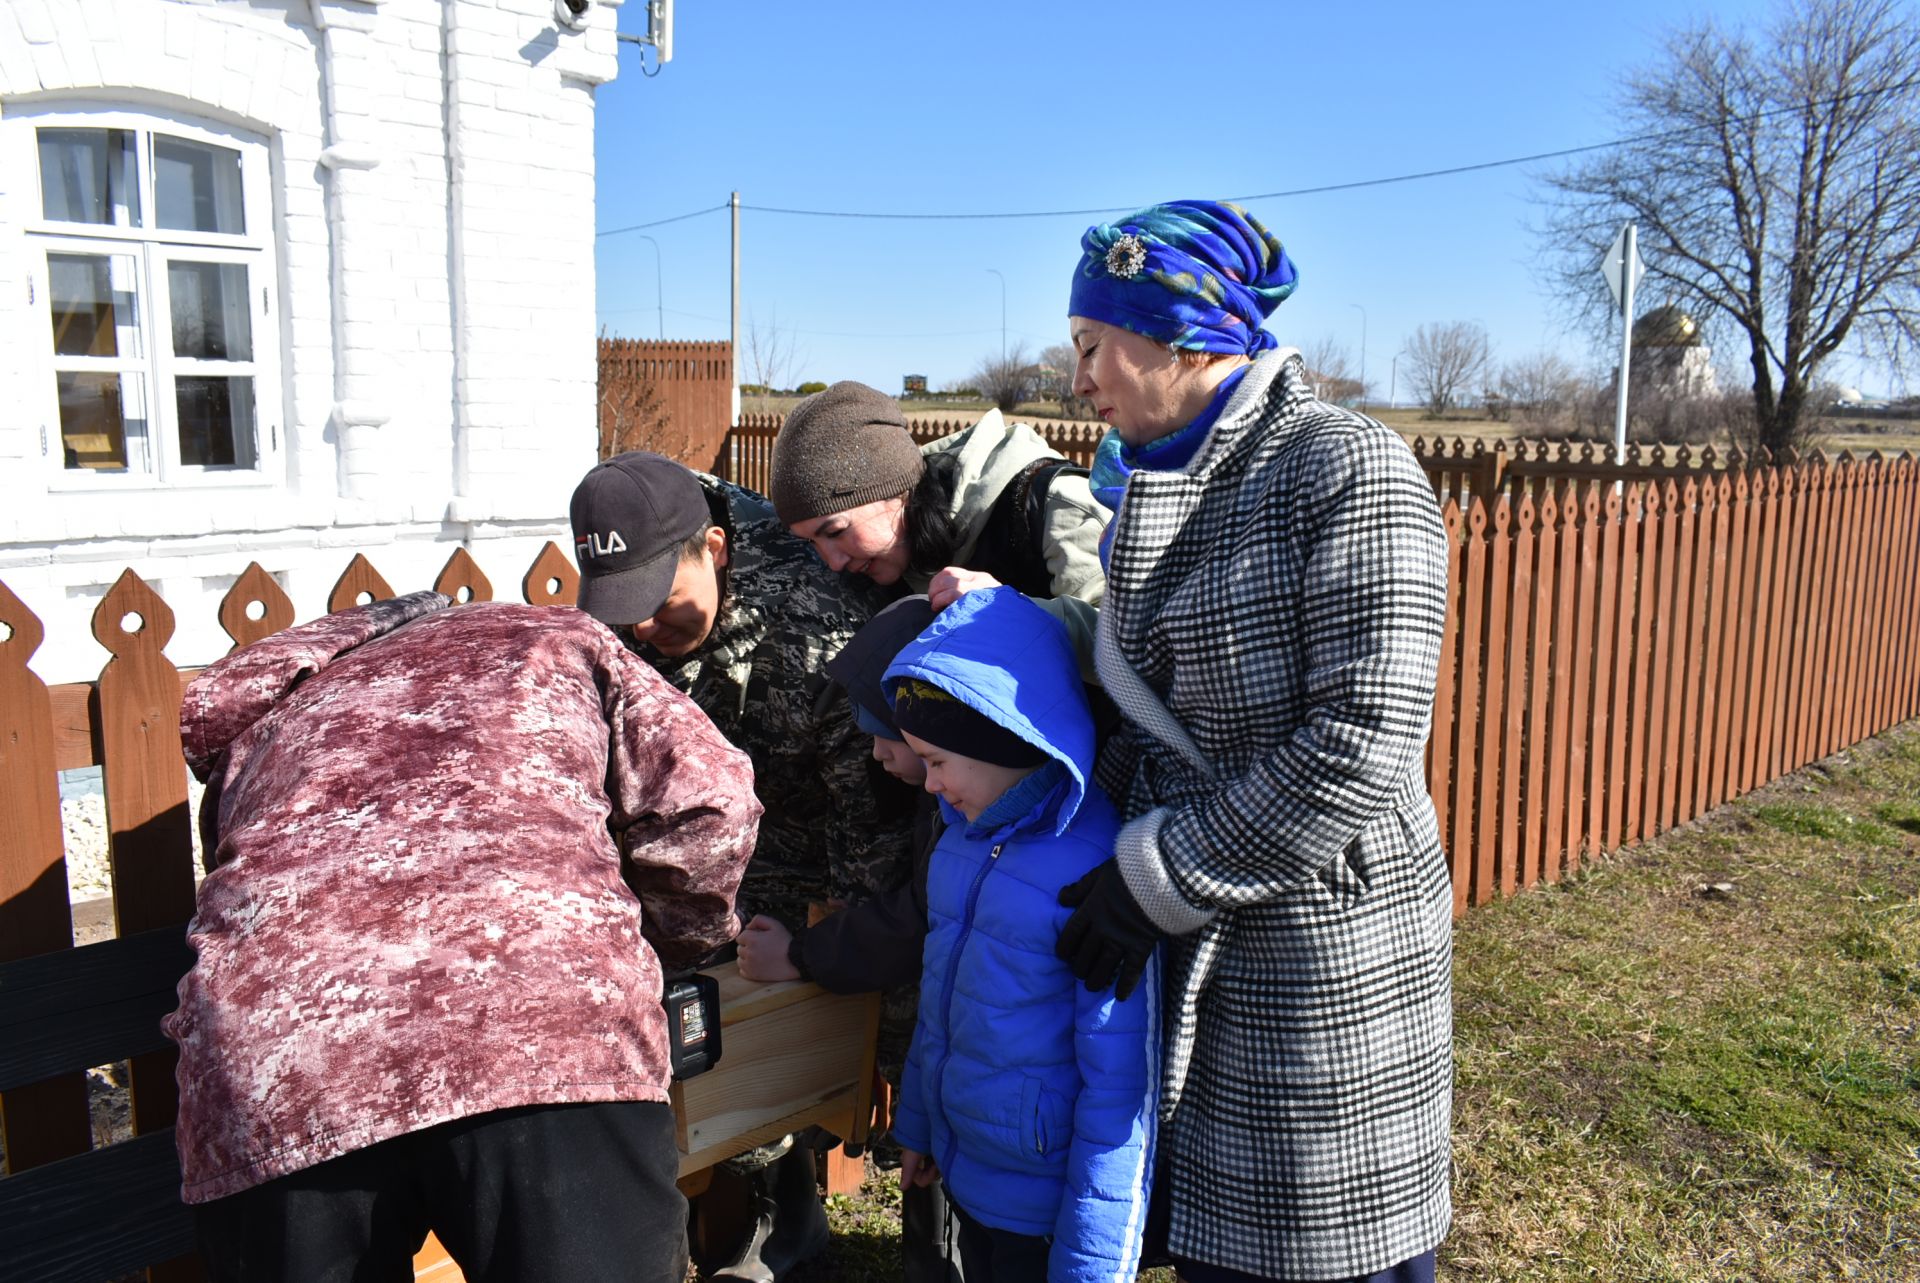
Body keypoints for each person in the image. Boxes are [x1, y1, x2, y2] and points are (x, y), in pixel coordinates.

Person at [1048, 200, 1454, 1283]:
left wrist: (1157, 875)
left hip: (1322, 936)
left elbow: (1361, 741)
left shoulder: (1349, 468)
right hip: (1197, 925)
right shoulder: (1154, 475)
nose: (1078, 377)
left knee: (1326, 1247)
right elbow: (1148, 699)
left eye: (1093, 346)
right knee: (1226, 1247)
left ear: (1180, 337)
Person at [167, 590, 761, 1283]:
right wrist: (664, 945)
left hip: (280, 1067)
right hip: (542, 1030)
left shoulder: (269, 721)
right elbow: (709, 808)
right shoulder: (549, 637)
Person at [570, 450, 917, 1281]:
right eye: (622, 607)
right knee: (692, 1027)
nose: (641, 626)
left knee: (852, 1022)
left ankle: (926, 1216)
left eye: (658, 600)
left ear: (716, 549)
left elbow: (869, 815)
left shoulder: (816, 623)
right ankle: (779, 1214)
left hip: (818, 844)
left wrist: (845, 950)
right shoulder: (624, 625)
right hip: (698, 854)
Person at [883, 586, 1157, 1283]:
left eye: (939, 761)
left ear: (1007, 736)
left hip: (1043, 1207)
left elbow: (1118, 1085)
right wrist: (918, 1125)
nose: (929, 785)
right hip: (970, 1169)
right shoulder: (959, 843)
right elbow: (939, 1006)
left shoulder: (1092, 877)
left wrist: (1094, 1261)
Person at [735, 594, 966, 1283]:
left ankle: (936, 1265)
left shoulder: (961, 807)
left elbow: (914, 917)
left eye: (883, 735)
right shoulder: (951, 789)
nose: (874, 753)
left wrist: (803, 953)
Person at [765, 380, 1109, 668]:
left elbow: (1128, 655)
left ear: (896, 492)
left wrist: (1011, 615)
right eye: (812, 542)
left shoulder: (1058, 507)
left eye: (837, 531)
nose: (834, 562)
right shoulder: (889, 555)